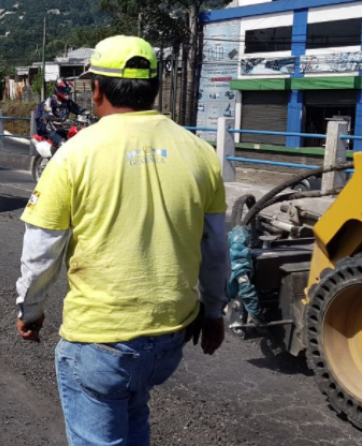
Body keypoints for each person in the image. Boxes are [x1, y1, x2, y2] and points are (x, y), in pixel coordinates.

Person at [14, 36, 230, 446]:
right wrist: (215, 312)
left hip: (100, 343)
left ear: (97, 89)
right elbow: (216, 249)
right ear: (154, 86)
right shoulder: (201, 153)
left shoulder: (74, 154)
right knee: (134, 414)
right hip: (169, 340)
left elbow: (42, 249)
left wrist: (30, 309)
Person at [35, 78, 84, 148]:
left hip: (64, 129)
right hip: (51, 130)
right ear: (58, 89)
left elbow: (79, 109)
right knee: (64, 145)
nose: (66, 92)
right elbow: (47, 113)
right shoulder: (49, 101)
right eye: (64, 90)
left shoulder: (68, 103)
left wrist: (89, 115)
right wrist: (52, 118)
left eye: (68, 90)